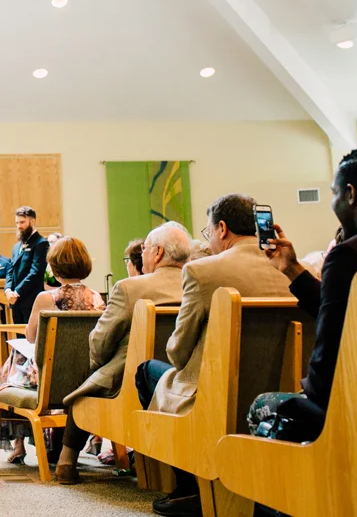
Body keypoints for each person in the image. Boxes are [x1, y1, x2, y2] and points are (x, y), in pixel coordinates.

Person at [135, 194, 291, 516]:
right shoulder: (291, 268)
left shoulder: (202, 271)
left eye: (208, 232)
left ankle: (190, 487)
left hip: (215, 396)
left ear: (222, 228)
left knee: (148, 371)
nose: (209, 240)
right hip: (280, 392)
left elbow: (177, 353)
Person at [247, 147, 357, 445]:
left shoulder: (350, 255)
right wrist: (292, 268)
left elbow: (326, 365)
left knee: (263, 408)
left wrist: (307, 394)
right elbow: (345, 311)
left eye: (334, 193)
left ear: (350, 194)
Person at [55, 222, 189, 484]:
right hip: (181, 376)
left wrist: (98, 364)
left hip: (129, 379)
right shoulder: (197, 284)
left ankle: (66, 461)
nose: (143, 255)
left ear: (158, 253)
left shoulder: (130, 288)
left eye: (145, 249)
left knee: (84, 390)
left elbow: (100, 340)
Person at [0, 237, 104, 464]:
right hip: (85, 379)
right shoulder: (96, 298)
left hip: (49, 381)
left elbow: (30, 337)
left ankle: (18, 445)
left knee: (12, 366)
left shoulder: (46, 298)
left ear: (55, 267)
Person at [4, 206, 50, 326]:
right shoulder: (16, 246)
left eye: (22, 222)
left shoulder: (41, 243)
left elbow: (35, 272)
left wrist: (17, 292)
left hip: (31, 300)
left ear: (32, 221)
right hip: (15, 301)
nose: (19, 226)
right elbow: (10, 270)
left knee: (31, 336)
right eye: (17, 223)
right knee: (18, 335)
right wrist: (8, 290)